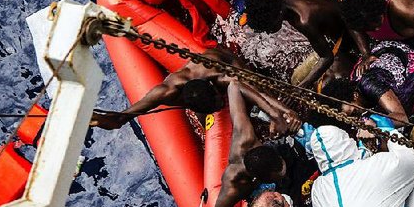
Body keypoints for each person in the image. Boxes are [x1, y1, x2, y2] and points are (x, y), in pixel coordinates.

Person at [198, 81, 310, 207]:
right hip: (265, 199)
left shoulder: (245, 139)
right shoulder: (233, 188)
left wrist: (277, 115)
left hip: (278, 161)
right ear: (263, 178)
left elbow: (234, 86)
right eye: (277, 173)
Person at [89, 47, 300, 135]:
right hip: (201, 97)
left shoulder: (218, 73)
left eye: (220, 103)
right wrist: (97, 119)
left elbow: (257, 88)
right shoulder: (165, 92)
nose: (221, 106)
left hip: (233, 66)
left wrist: (281, 112)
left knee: (254, 95)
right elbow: (120, 119)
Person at [321, 38, 414, 124]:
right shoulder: (356, 91)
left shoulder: (370, 85)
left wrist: (374, 124)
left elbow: (402, 118)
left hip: (405, 51)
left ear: (354, 95)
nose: (355, 117)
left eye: (353, 112)